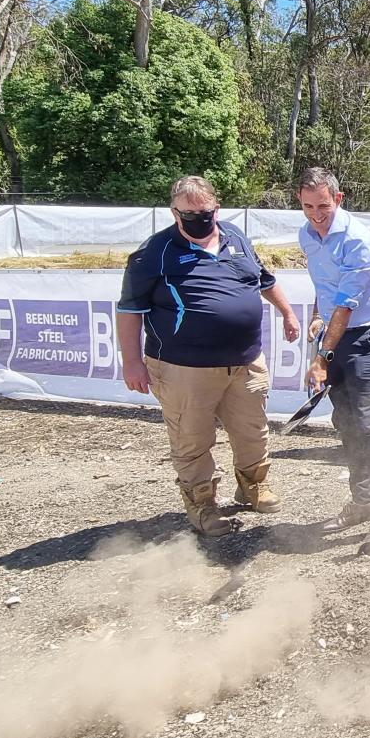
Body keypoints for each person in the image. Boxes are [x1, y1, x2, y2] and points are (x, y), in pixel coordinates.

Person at [117, 176, 302, 536]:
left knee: (253, 431)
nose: (198, 219)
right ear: (174, 212)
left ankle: (254, 486)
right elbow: (129, 311)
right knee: (192, 439)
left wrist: (288, 313)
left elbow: (263, 279)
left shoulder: (235, 237)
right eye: (188, 213)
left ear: (216, 208)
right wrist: (132, 362)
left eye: (204, 212)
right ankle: (201, 504)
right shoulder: (153, 253)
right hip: (184, 368)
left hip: (245, 362)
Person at [297, 167, 370, 552]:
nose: (316, 215)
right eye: (308, 207)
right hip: (337, 334)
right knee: (346, 423)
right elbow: (325, 291)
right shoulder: (306, 234)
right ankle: (362, 502)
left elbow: (346, 303)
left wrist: (322, 356)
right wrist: (316, 318)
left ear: (338, 199)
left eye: (323, 206)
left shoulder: (358, 239)